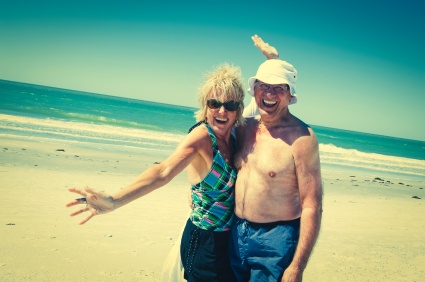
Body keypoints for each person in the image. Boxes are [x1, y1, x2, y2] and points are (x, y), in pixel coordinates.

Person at [66, 63, 245, 281]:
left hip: (230, 240)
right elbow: (162, 172)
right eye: (214, 103)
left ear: (238, 109)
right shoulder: (202, 138)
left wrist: (272, 60)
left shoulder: (235, 137)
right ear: (205, 106)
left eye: (230, 105)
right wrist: (114, 200)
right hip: (205, 243)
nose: (222, 111)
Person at [229, 35, 323, 282]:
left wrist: (297, 268)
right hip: (234, 232)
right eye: (264, 86)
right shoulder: (244, 127)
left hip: (276, 241)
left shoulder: (302, 138)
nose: (269, 93)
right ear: (255, 90)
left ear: (290, 95)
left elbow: (312, 205)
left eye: (279, 88)